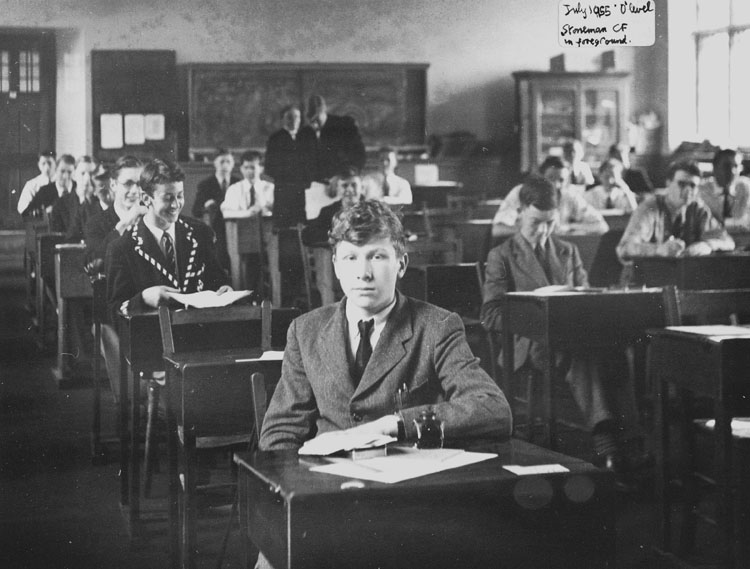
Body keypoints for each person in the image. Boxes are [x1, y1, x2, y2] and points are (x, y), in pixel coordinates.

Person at [260, 198, 511, 450]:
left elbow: (493, 408)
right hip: (325, 472)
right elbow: (279, 433)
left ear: (401, 264)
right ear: (335, 266)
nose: (363, 273)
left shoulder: (437, 326)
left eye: (377, 256)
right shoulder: (306, 331)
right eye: (350, 258)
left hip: (404, 470)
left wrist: (393, 424)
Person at [480, 175, 642, 484]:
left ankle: (632, 441)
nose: (543, 231)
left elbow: (585, 298)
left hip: (572, 336)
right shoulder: (501, 256)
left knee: (617, 351)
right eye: (535, 223)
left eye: (550, 223)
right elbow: (490, 314)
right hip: (529, 345)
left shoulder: (568, 251)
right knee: (579, 356)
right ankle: (606, 441)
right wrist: (535, 317)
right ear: (520, 214)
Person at [106, 159, 231, 319]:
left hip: (200, 327)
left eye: (180, 196)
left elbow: (219, 281)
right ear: (146, 198)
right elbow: (114, 310)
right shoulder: (122, 248)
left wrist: (225, 289)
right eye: (168, 198)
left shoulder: (201, 233)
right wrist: (143, 298)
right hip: (152, 332)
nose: (176, 204)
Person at [616, 160, 734, 266]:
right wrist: (658, 250)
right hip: (645, 276)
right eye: (682, 184)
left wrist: (708, 245)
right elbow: (625, 248)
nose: (688, 190)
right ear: (668, 183)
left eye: (692, 186)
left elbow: (728, 241)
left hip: (681, 276)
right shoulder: (650, 207)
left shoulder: (697, 208)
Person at [492, 156, 608, 238]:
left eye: (561, 180)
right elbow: (498, 229)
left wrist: (569, 227)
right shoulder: (521, 192)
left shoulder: (569, 195)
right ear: (540, 177)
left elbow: (601, 226)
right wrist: (533, 230)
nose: (556, 185)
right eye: (551, 178)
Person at [220, 150, 279, 302]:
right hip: (241, 236)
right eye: (246, 167)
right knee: (245, 265)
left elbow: (274, 211)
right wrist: (249, 213)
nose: (250, 171)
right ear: (241, 169)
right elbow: (226, 212)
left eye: (253, 167)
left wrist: (263, 209)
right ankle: (243, 300)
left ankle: (271, 300)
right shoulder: (234, 189)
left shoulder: (269, 188)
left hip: (266, 235)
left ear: (261, 168)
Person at [302, 166, 364, 305]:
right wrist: (333, 237)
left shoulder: (371, 210)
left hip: (364, 264)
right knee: (325, 257)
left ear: (362, 187)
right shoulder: (328, 212)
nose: (349, 190)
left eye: (354, 185)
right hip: (336, 267)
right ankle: (331, 310)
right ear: (338, 188)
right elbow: (307, 235)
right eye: (345, 185)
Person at [264, 104, 314, 229]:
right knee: (285, 226)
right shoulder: (275, 138)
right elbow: (270, 166)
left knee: (303, 224)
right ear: (283, 119)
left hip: (303, 188)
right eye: (290, 117)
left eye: (297, 117)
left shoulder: (305, 137)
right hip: (284, 189)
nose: (294, 120)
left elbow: (311, 162)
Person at [300, 94, 366, 183]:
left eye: (317, 118)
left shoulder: (344, 125)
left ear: (324, 110)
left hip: (342, 180)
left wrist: (349, 173)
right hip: (316, 184)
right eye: (311, 121)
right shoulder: (305, 133)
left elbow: (359, 155)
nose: (314, 124)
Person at [192, 148, 240, 270]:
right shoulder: (205, 184)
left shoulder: (238, 183)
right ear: (215, 163)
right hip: (216, 228)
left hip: (236, 228)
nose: (225, 165)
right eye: (222, 161)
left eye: (228, 162)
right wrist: (206, 206)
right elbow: (196, 211)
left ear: (233, 164)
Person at [698, 148, 750, 232]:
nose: (732, 171)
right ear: (714, 168)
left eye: (736, 166)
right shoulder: (701, 191)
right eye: (726, 166)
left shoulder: (746, 187)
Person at [21, 154, 76, 219]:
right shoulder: (44, 191)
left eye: (69, 172)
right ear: (56, 170)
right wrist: (44, 213)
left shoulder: (79, 188)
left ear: (74, 172)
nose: (65, 176)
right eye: (62, 171)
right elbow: (26, 214)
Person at [16, 150, 56, 215]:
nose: (47, 167)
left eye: (49, 163)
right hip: (39, 218)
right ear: (39, 165)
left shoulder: (61, 182)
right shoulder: (31, 185)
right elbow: (22, 208)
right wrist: (43, 211)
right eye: (43, 163)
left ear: (55, 163)